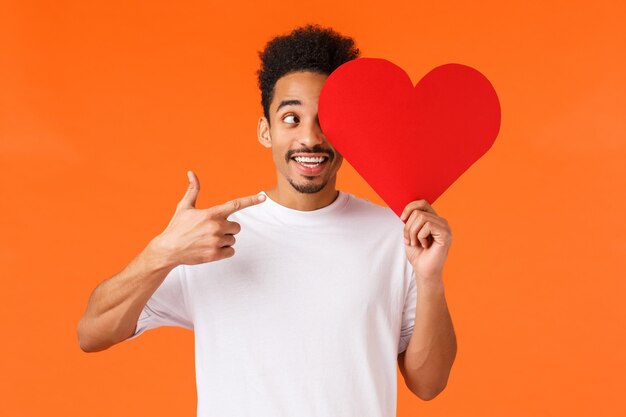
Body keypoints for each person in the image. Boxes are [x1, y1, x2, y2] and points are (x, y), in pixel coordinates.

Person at [77, 23, 457, 417]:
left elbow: (429, 384)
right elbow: (91, 333)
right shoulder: (209, 237)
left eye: (327, 119)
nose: (310, 138)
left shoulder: (393, 236)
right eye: (291, 118)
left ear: (351, 131)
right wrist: (163, 252)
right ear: (266, 130)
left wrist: (430, 280)